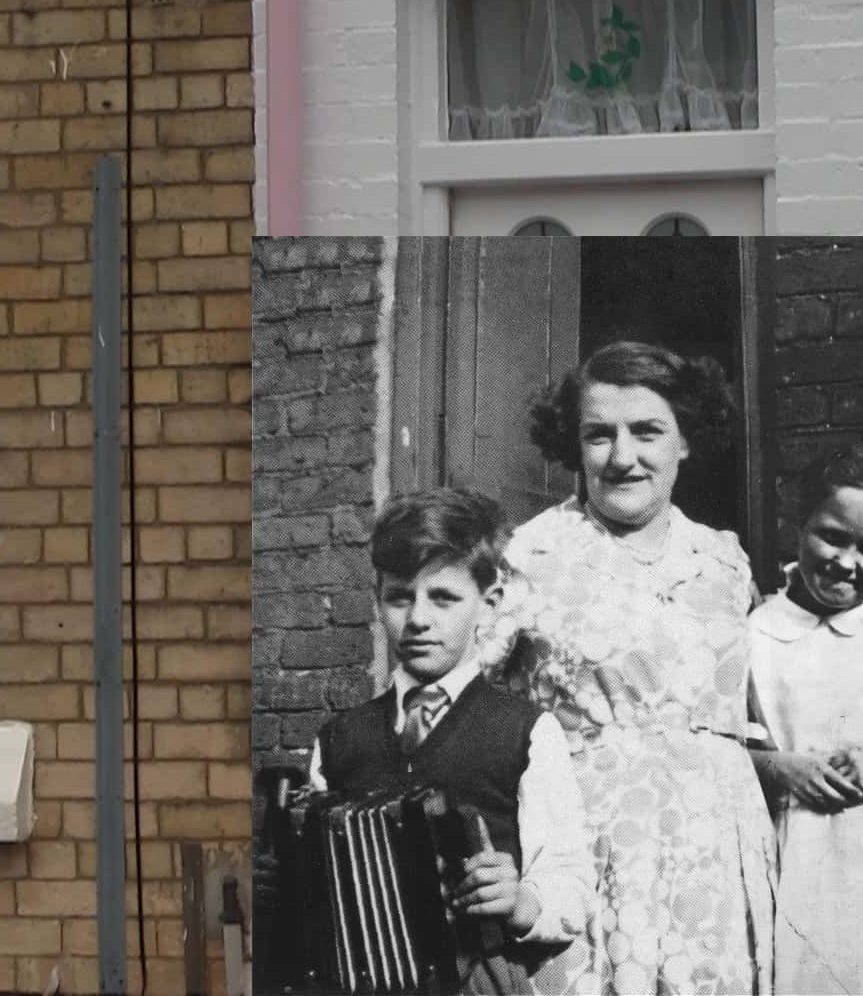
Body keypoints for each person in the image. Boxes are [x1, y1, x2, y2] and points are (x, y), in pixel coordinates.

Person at [488, 340, 776, 996]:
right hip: (588, 853)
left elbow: (751, 714)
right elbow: (463, 712)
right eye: (599, 435)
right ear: (573, 444)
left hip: (715, 860)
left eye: (647, 431)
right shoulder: (530, 556)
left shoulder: (725, 562)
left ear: (685, 440)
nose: (622, 457)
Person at [287, 487, 597, 994]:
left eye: (444, 597)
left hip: (481, 979)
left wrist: (522, 900)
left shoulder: (526, 730)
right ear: (379, 601)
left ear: (488, 603)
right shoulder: (340, 737)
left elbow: (571, 880)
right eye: (399, 597)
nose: (419, 619)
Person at [748, 440, 863, 995]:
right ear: (800, 524)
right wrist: (777, 768)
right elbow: (715, 748)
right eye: (832, 536)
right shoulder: (755, 633)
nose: (845, 562)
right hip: (787, 856)